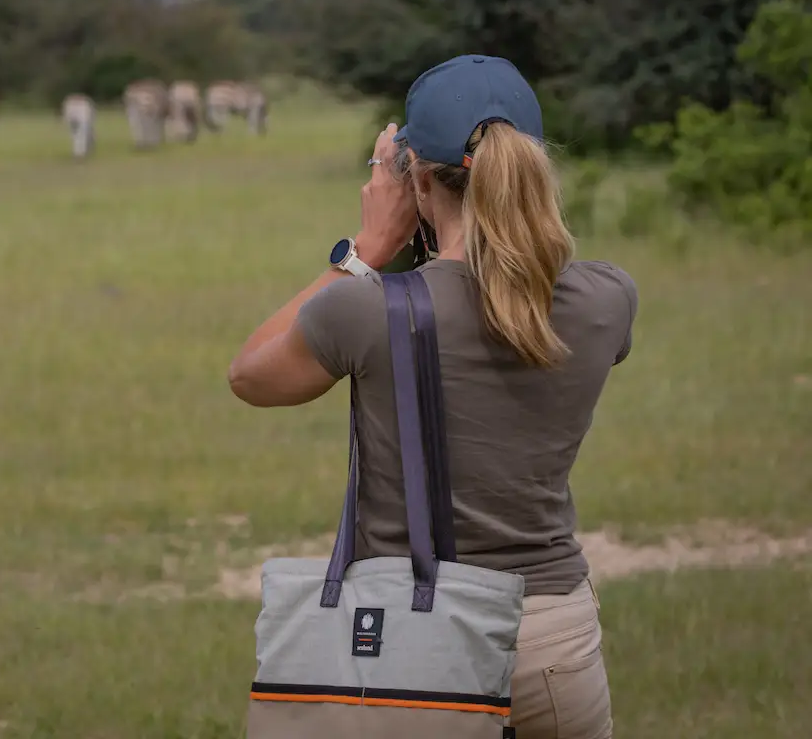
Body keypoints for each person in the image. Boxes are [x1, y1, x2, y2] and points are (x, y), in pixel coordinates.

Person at [227, 54, 636, 739]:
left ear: (414, 178)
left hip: (418, 647)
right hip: (556, 642)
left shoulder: (367, 310)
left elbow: (251, 375)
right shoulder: (608, 297)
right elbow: (519, 292)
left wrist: (368, 248)